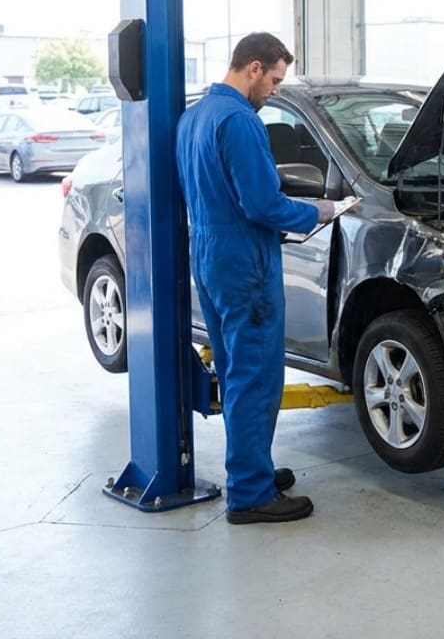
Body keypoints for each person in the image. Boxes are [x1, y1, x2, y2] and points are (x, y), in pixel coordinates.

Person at [176, 31, 348, 525]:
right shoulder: (240, 121)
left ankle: (253, 468)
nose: (274, 91)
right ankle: (251, 493)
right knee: (257, 375)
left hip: (209, 254)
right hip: (245, 257)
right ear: (253, 68)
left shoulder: (194, 118)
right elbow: (262, 204)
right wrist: (320, 209)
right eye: (273, 80)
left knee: (234, 372)